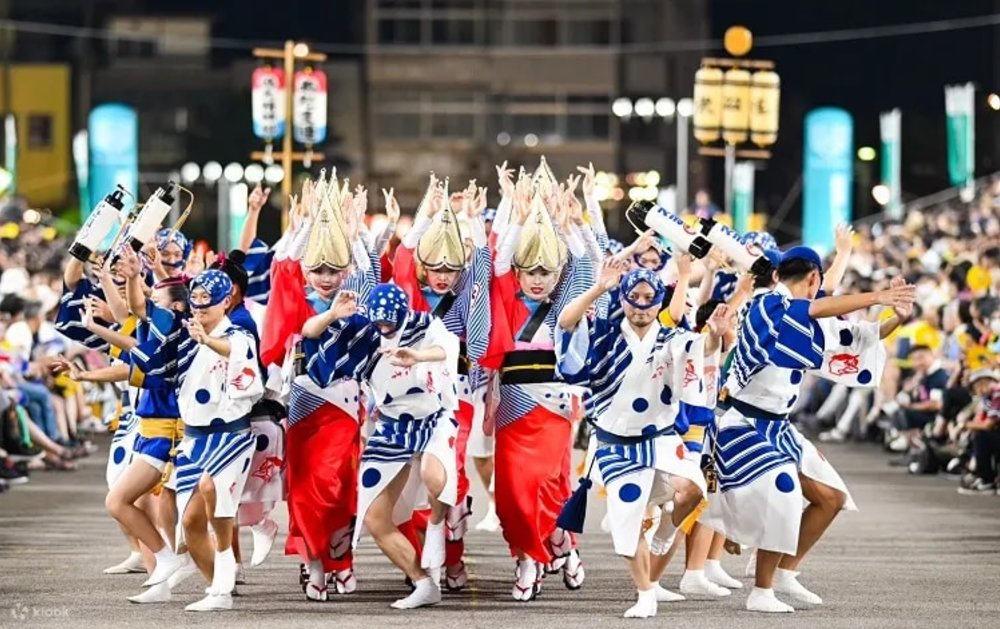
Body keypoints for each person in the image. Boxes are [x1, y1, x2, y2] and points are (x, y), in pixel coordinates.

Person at [702, 246, 916, 613]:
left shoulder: (804, 317)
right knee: (783, 491)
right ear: (814, 279)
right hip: (743, 425)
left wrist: (896, 317)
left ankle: (785, 572)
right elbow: (813, 309)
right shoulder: (766, 305)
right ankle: (761, 591)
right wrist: (878, 295)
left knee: (831, 497)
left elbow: (856, 339)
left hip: (778, 427)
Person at [557, 262, 729, 618]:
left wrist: (716, 334)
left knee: (694, 487)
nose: (640, 306)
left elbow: (701, 349)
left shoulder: (669, 338)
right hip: (616, 444)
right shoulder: (604, 332)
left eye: (649, 299)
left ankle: (665, 533)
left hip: (660, 436)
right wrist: (600, 288)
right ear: (623, 298)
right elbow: (565, 323)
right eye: (633, 298)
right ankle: (645, 592)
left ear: (659, 302)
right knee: (627, 524)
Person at [305, 283, 460, 610]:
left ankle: (435, 526)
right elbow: (309, 331)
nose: (386, 329)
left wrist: (417, 354)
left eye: (392, 323)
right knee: (376, 518)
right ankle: (422, 582)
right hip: (390, 422)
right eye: (381, 323)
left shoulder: (423, 323)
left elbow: (447, 348)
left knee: (435, 477)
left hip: (434, 415)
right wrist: (333, 313)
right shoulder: (364, 332)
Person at [481, 166, 593, 600]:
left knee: (546, 483)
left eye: (548, 271)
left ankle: (533, 558)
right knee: (510, 494)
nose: (539, 278)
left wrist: (573, 224)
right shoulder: (506, 297)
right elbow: (499, 260)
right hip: (512, 403)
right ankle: (552, 544)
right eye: (532, 271)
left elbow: (585, 268)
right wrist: (512, 207)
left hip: (553, 406)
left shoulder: (567, 296)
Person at [128, 269, 264, 612]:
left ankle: (222, 586)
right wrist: (131, 279)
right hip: (193, 439)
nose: (200, 309)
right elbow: (140, 315)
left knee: (215, 497)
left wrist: (207, 340)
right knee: (188, 524)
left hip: (230, 434)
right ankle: (215, 588)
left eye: (208, 303)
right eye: (197, 303)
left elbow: (235, 351)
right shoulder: (185, 335)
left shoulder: (239, 332)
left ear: (226, 301)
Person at [266, 172, 375, 600]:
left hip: (346, 407)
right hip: (305, 404)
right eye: (318, 269)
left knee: (341, 487)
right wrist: (304, 226)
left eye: (334, 269)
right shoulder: (294, 296)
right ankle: (314, 566)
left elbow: (369, 269)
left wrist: (353, 228)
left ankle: (342, 559)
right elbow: (284, 271)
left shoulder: (358, 290)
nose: (326, 277)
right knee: (307, 491)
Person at [390, 178, 491, 590]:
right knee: (408, 480)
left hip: (456, 394)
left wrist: (474, 221)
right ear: (424, 265)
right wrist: (425, 215)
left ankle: (451, 557)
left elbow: (482, 273)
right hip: (407, 396)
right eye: (437, 267)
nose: (445, 275)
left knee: (452, 479)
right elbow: (400, 262)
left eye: (452, 268)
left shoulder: (468, 289)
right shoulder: (411, 293)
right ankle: (417, 561)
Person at [957, 369, 1000, 494]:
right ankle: (980, 473)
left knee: (982, 436)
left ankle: (987, 479)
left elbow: (988, 425)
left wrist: (964, 425)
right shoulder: (987, 398)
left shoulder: (997, 392)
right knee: (978, 434)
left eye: (977, 387)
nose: (978, 391)